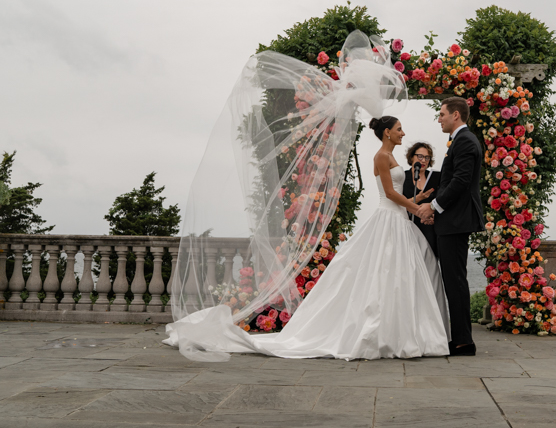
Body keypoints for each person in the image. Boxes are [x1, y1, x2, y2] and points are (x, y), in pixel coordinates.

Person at [165, 31, 450, 361]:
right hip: (391, 217)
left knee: (395, 276)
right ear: (388, 132)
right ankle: (383, 332)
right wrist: (417, 205)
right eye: (399, 129)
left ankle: (398, 329)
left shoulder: (393, 157)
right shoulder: (382, 158)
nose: (403, 133)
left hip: (399, 219)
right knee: (384, 273)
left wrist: (423, 196)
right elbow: (389, 192)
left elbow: (396, 189)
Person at [418, 96, 485, 357]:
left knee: (455, 281)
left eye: (442, 114)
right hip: (452, 220)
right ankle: (459, 338)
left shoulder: (466, 141)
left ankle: (463, 342)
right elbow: (451, 181)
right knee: (452, 280)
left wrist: (433, 206)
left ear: (456, 115)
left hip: (456, 223)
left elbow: (460, 181)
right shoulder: (459, 141)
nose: (439, 118)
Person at [402, 142, 440, 257]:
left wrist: (434, 216)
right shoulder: (403, 178)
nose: (423, 160)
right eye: (420, 156)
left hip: (430, 228)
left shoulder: (434, 178)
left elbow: (439, 201)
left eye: (427, 157)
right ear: (412, 157)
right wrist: (419, 198)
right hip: (408, 227)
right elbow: (399, 204)